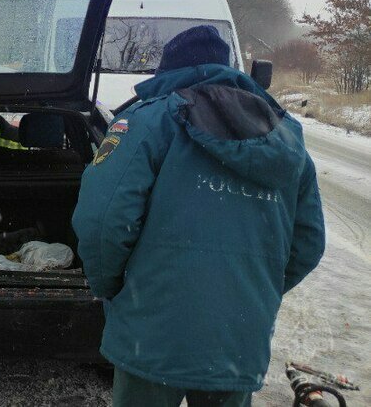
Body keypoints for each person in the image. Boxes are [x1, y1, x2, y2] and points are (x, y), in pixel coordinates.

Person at [72, 25, 326, 407]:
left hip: (153, 333)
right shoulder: (286, 140)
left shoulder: (148, 122)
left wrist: (111, 286)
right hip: (238, 340)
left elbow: (103, 220)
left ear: (168, 71)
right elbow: (307, 243)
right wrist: (251, 292)